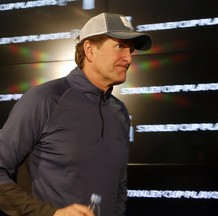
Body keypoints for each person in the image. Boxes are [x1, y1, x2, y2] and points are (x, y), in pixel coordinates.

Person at [0, 12, 152, 216]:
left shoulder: (120, 112)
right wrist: (50, 214)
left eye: (131, 50)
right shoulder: (44, 100)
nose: (128, 58)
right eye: (120, 46)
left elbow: (119, 188)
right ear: (90, 49)